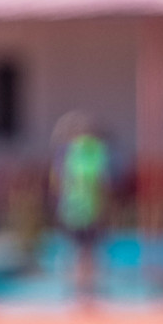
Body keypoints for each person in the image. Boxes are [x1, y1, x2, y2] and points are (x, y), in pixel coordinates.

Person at [50, 112, 111, 302]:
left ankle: (78, 288)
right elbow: (103, 182)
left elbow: (57, 181)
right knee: (89, 249)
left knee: (76, 248)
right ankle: (88, 288)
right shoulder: (96, 151)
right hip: (91, 206)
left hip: (72, 207)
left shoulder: (67, 151)